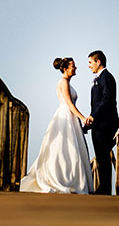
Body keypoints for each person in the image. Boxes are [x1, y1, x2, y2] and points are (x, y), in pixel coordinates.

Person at [19, 56, 94, 193]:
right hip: (65, 117)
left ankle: (70, 178)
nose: (75, 68)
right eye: (73, 66)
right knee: (62, 149)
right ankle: (60, 178)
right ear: (65, 69)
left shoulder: (68, 83)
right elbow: (69, 103)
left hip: (71, 118)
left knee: (72, 150)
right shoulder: (63, 82)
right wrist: (82, 117)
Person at [83, 50, 119, 195]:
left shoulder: (106, 77)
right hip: (98, 124)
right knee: (101, 156)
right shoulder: (99, 78)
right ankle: (103, 188)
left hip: (105, 124)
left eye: (90, 62)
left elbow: (107, 100)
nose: (89, 66)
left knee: (103, 156)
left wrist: (93, 116)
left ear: (98, 62)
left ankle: (104, 189)